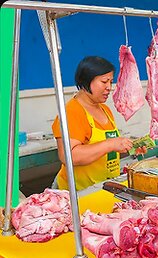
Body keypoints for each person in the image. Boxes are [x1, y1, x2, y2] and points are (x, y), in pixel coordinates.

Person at [51, 56, 145, 191]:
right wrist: (111, 144)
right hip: (77, 193)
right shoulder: (71, 112)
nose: (109, 88)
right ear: (86, 81)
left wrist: (129, 147)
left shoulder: (104, 109)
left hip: (102, 187)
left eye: (111, 82)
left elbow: (105, 151)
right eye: (104, 82)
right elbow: (69, 156)